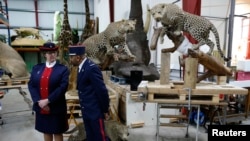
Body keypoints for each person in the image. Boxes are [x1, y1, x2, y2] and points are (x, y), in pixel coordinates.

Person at [28, 42, 69, 141]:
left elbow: (63, 87)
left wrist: (48, 100)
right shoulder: (37, 68)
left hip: (56, 107)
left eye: (54, 52)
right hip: (41, 106)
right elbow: (31, 85)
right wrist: (38, 101)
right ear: (44, 54)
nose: (52, 55)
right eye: (49, 53)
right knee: (46, 130)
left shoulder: (62, 69)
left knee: (57, 131)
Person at [68, 45, 110, 141]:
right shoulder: (81, 67)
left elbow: (102, 91)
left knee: (100, 137)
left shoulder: (91, 68)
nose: (70, 60)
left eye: (71, 57)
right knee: (90, 137)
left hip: (95, 112)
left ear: (78, 58)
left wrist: (105, 110)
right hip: (87, 111)